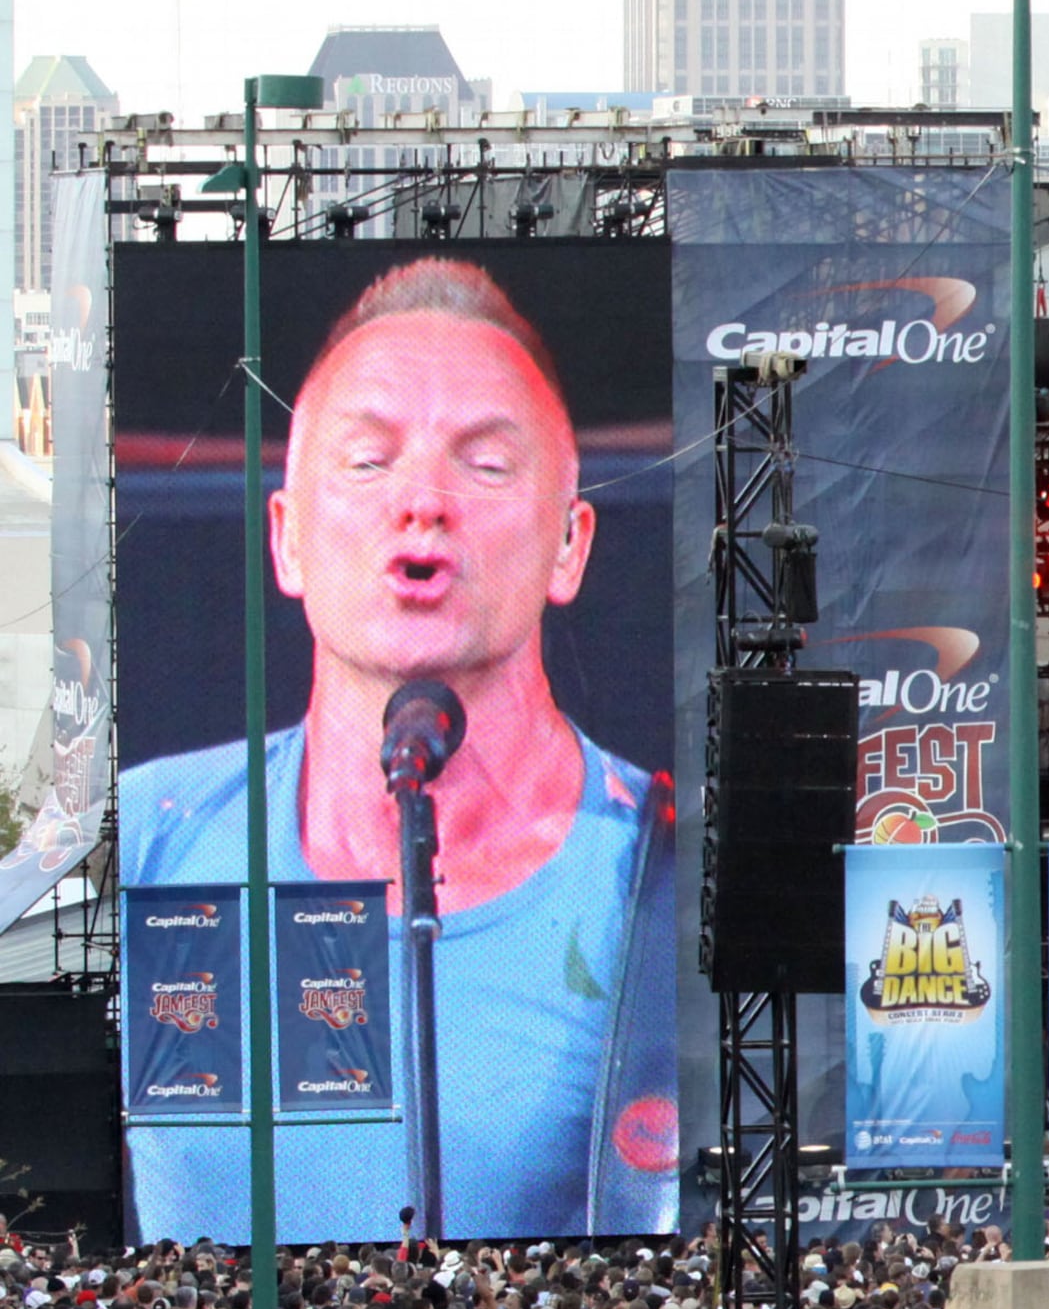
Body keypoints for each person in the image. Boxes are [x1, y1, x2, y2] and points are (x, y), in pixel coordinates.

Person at [119, 253, 677, 1238]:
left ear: (570, 545)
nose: (424, 500)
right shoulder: (142, 846)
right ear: (287, 541)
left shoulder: (667, 876)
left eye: (486, 461)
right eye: (368, 459)